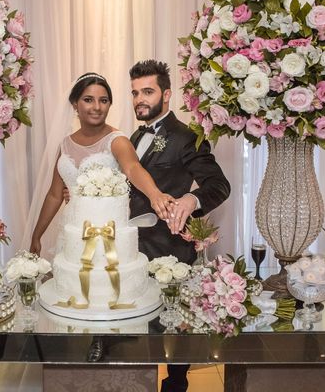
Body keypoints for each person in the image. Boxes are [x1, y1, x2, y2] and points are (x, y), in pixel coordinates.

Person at [129, 59, 231, 392]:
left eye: (147, 91)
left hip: (168, 251)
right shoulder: (133, 135)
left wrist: (190, 201)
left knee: (173, 336)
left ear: (167, 94)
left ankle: (176, 383)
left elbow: (219, 185)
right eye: (135, 93)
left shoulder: (186, 136)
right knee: (137, 333)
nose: (140, 99)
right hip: (131, 249)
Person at [29, 72, 174, 255]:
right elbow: (54, 195)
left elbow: (133, 168)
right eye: (88, 100)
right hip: (72, 233)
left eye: (104, 100)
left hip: (108, 237)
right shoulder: (64, 145)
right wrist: (36, 235)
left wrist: (156, 195)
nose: (97, 107)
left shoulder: (117, 140)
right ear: (75, 104)